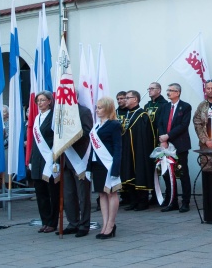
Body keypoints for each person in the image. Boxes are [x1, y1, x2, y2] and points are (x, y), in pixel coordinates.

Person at [156, 83, 192, 213]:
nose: (168, 92)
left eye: (171, 90)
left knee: (182, 173)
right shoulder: (165, 107)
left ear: (178, 92)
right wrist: (162, 138)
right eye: (168, 90)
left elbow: (183, 125)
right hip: (165, 145)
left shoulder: (186, 106)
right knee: (167, 174)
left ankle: (186, 202)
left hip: (180, 145)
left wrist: (168, 136)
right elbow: (159, 123)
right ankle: (173, 201)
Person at [91, 97, 122, 239]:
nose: (97, 110)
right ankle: (104, 224)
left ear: (108, 108)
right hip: (97, 164)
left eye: (100, 108)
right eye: (96, 107)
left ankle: (111, 224)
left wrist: (116, 167)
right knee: (101, 194)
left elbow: (118, 147)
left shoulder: (114, 125)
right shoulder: (96, 126)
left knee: (111, 193)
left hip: (108, 164)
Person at [61, 103, 93, 237]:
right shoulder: (60, 111)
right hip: (65, 159)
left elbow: (87, 132)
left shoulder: (84, 111)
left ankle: (84, 224)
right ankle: (72, 222)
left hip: (79, 158)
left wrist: (70, 136)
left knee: (83, 194)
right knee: (68, 194)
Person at [119, 91, 155, 211]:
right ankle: (133, 201)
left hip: (139, 151)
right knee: (129, 174)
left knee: (140, 173)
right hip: (128, 150)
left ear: (135, 99)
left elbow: (147, 136)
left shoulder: (142, 115)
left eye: (127, 98)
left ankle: (142, 202)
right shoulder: (128, 114)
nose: (125, 100)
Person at [29, 91, 59, 233]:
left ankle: (53, 222)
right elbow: (35, 142)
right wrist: (30, 159)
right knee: (40, 193)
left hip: (50, 159)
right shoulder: (37, 118)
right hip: (37, 160)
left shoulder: (54, 117)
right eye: (38, 101)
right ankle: (45, 220)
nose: (39, 103)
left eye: (42, 100)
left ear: (49, 101)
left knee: (52, 193)